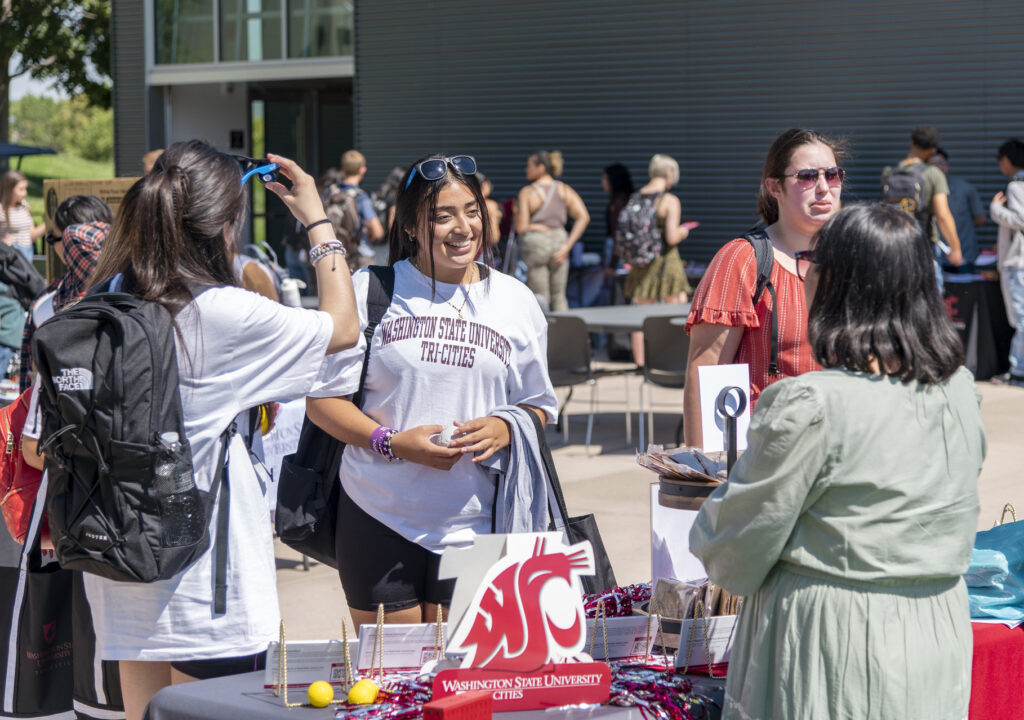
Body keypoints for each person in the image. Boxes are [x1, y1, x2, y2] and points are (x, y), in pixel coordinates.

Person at [61, 140, 358, 720]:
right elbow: (342, 327)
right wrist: (317, 219)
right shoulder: (219, 313)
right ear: (224, 224)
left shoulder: (105, 300)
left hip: (121, 562)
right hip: (206, 579)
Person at [690, 203, 985, 720]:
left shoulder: (810, 402)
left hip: (834, 641)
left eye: (811, 261)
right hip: (938, 632)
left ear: (838, 284)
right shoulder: (959, 391)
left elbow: (734, 549)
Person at [305, 153, 557, 629]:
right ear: (411, 226)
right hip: (377, 513)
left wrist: (507, 426)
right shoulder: (369, 290)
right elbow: (321, 402)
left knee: (461, 686)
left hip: (477, 523)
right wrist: (392, 443)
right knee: (392, 682)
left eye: (471, 211)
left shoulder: (516, 301)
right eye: (442, 216)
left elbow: (538, 404)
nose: (462, 227)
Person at [683, 128, 843, 447]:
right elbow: (706, 375)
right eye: (808, 177)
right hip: (766, 461)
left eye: (833, 175)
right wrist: (707, 471)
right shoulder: (743, 259)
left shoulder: (856, 256)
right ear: (775, 187)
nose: (824, 188)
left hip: (843, 456)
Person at [18, 194, 113, 391]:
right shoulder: (135, 289)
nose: (53, 246)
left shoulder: (46, 305)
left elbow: (30, 385)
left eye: (53, 238)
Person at [622, 154, 693, 367]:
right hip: (666, 262)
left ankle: (640, 363)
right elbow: (671, 237)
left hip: (641, 263)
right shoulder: (670, 201)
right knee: (677, 309)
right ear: (670, 173)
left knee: (640, 313)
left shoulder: (635, 198)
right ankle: (677, 359)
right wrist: (684, 231)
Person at [881, 125, 963, 290]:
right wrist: (955, 248)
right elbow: (943, 215)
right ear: (932, 150)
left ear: (911, 142)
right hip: (924, 247)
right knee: (930, 299)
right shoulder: (933, 174)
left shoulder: (889, 173)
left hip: (894, 245)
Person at [515, 150, 590, 311]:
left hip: (536, 244)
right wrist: (567, 247)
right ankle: (563, 334)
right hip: (559, 242)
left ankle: (543, 335)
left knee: (540, 298)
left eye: (529, 166)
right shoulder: (563, 189)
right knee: (559, 296)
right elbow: (583, 217)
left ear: (541, 167)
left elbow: (520, 228)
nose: (526, 170)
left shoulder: (527, 192)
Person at [990, 138, 1024, 388]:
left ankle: (1018, 370)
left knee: (1020, 318)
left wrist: (995, 210)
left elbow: (1020, 219)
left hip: (1017, 262)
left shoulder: (1016, 186)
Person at [929, 147, 986, 272]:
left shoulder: (965, 188)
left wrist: (958, 227)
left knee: (966, 290)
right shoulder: (923, 190)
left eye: (941, 163)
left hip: (964, 254)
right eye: (933, 164)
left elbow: (981, 218)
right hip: (934, 256)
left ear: (948, 165)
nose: (938, 167)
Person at [338, 149, 386, 267]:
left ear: (343, 169)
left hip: (336, 253)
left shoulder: (331, 192)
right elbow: (378, 232)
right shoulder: (360, 197)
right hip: (359, 255)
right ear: (362, 170)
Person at [0, 170, 46, 261]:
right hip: (10, 257)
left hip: (27, 253)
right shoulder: (1, 210)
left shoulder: (24, 206)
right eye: (21, 189)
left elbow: (31, 236)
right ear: (9, 189)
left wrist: (48, 223)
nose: (25, 193)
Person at [475, 171, 503, 249]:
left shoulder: (462, 204)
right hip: (481, 250)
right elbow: (494, 237)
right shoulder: (489, 205)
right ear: (485, 185)